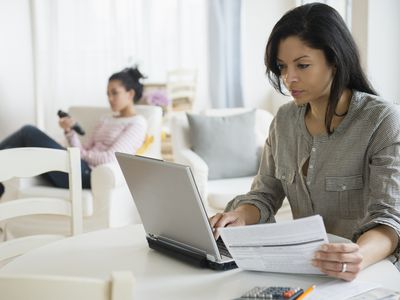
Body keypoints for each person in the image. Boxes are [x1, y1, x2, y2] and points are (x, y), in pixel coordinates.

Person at [210, 3, 400, 281]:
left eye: (303, 65)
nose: (289, 78)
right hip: (307, 271)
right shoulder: (285, 119)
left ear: (335, 59)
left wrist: (357, 255)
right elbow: (265, 195)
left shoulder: (383, 121)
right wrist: (240, 215)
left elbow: (390, 220)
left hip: (368, 272)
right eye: (281, 66)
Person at [0, 67, 148, 196]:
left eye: (114, 93)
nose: (110, 98)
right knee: (27, 147)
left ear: (130, 94)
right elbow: (84, 149)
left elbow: (110, 158)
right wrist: (70, 132)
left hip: (88, 175)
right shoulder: (106, 119)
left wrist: (78, 155)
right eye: (107, 93)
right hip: (77, 164)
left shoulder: (137, 123)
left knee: (28, 132)